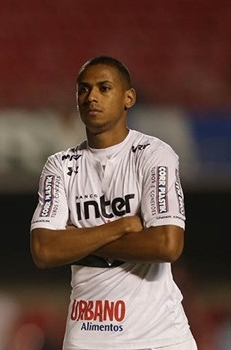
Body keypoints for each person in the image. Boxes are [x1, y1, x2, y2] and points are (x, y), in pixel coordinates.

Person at [29, 56, 196, 350]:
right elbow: (44, 250)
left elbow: (167, 245)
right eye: (83, 89)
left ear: (128, 98)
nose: (91, 96)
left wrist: (77, 240)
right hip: (88, 337)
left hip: (160, 337)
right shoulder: (60, 165)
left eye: (104, 88)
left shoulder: (153, 154)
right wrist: (121, 227)